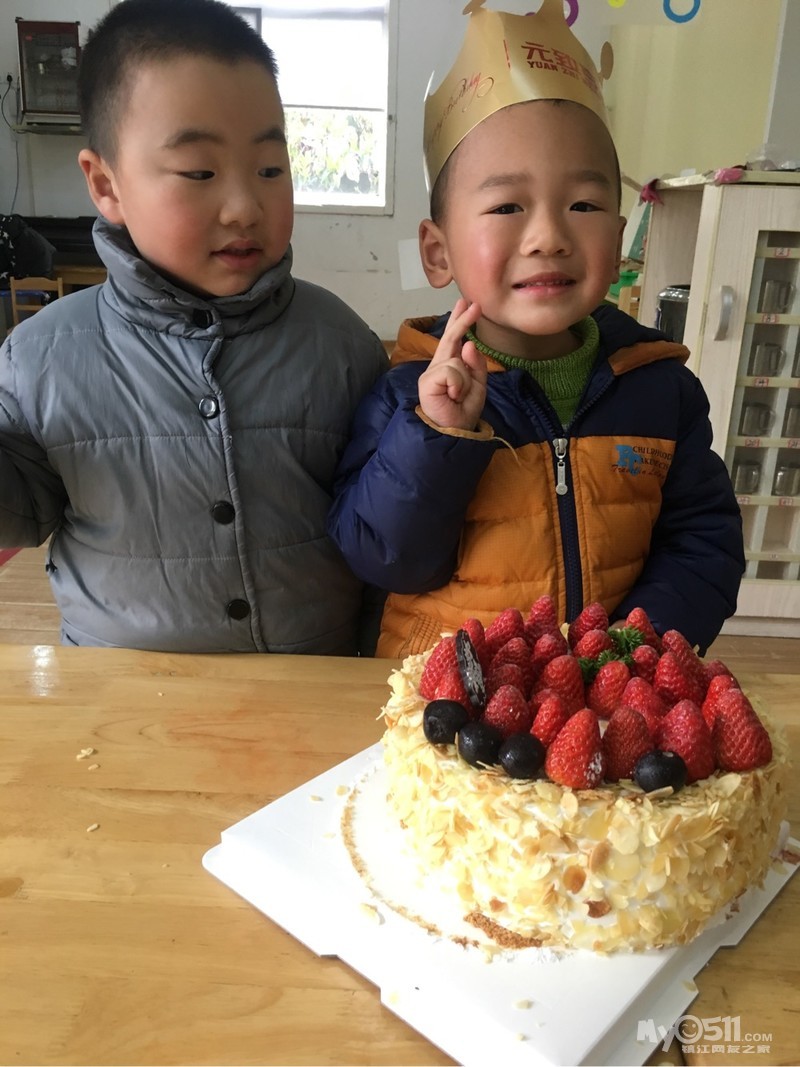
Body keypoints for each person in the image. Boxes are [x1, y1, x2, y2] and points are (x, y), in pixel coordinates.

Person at [328, 1, 744, 658]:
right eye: (506, 206)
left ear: (618, 239)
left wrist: (629, 648)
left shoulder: (662, 391)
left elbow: (704, 543)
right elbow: (385, 558)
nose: (548, 236)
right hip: (442, 700)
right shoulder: (408, 394)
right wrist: (437, 436)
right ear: (438, 251)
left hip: (599, 697)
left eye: (583, 203)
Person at [0, 0, 387, 654]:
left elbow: (383, 537)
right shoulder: (40, 357)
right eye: (200, 172)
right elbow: (20, 511)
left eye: (270, 169)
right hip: (121, 699)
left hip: (311, 692)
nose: (243, 207)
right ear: (106, 184)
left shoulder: (343, 345)